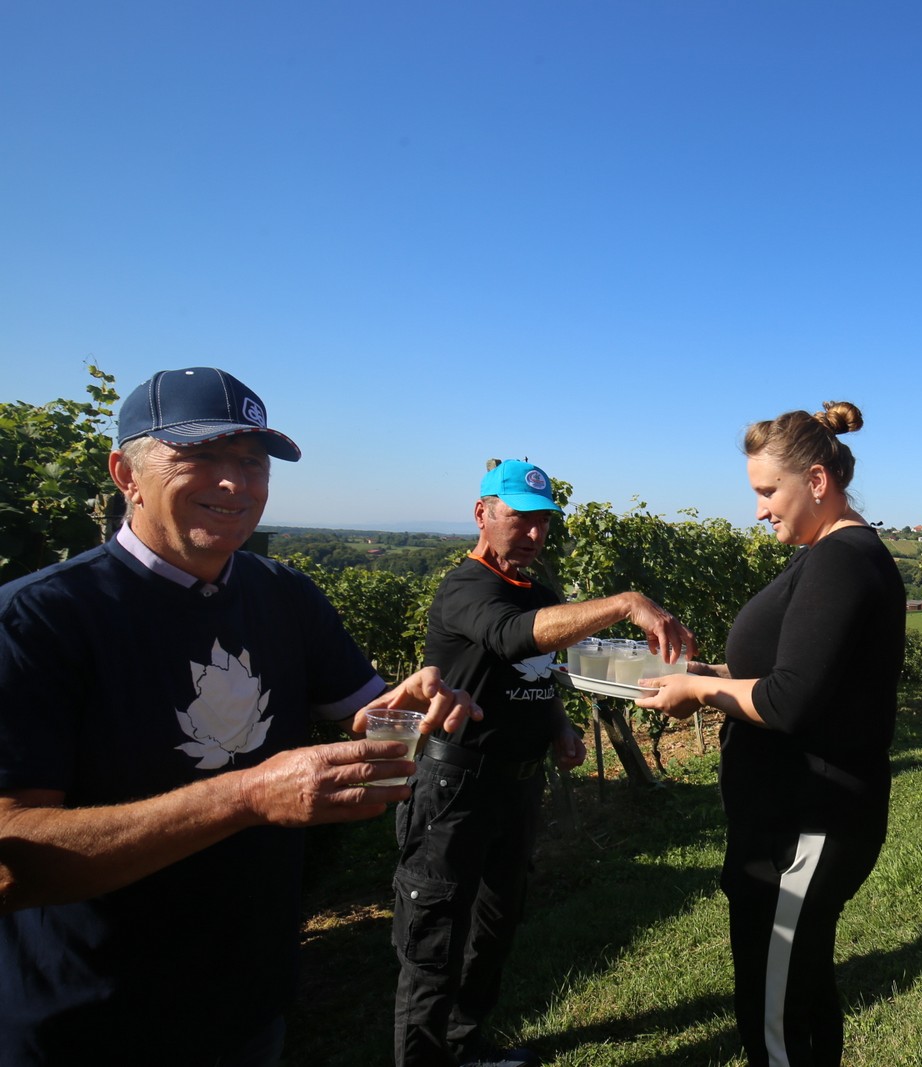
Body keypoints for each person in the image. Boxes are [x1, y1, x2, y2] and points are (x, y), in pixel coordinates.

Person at [0, 367, 478, 1066]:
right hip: (89, 1023)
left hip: (248, 1003)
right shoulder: (36, 620)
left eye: (253, 462)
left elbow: (366, 709)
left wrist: (411, 701)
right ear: (125, 475)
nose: (235, 482)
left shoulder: (283, 592)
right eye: (200, 456)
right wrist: (247, 795)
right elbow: (10, 863)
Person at [393, 460, 697, 1067]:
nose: (534, 534)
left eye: (544, 523)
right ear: (482, 514)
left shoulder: (541, 591)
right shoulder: (467, 587)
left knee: (494, 924)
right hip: (456, 784)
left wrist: (558, 725)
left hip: (518, 784)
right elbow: (512, 637)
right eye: (520, 519)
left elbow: (542, 669)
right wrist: (626, 602)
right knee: (435, 935)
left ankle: (466, 1046)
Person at [635, 401, 904, 1067]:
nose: (757, 510)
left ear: (816, 481)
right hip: (790, 818)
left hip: (809, 821)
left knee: (777, 1013)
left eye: (766, 491)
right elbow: (797, 673)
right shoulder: (827, 554)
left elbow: (789, 700)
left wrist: (700, 692)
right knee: (798, 986)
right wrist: (711, 673)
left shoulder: (841, 561)